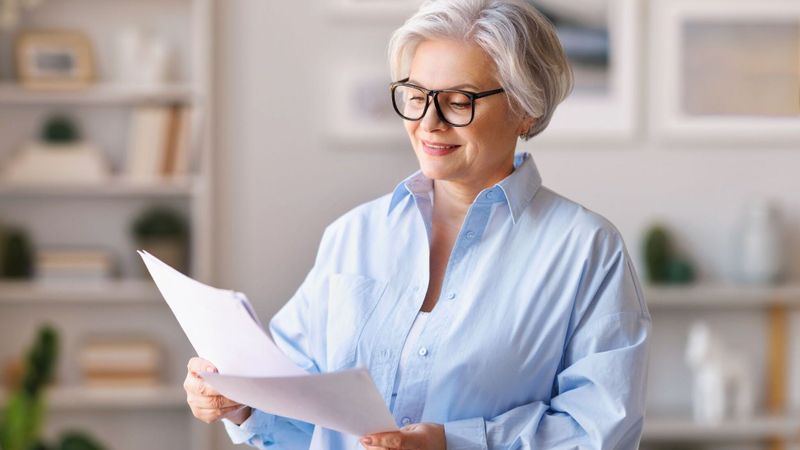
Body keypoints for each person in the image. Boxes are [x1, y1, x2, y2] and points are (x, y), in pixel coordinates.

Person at [184, 0, 651, 448]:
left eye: (458, 101)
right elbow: (300, 412)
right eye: (416, 95)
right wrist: (239, 402)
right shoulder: (352, 235)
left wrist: (453, 444)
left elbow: (600, 432)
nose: (429, 121)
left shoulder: (587, 250)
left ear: (524, 109)